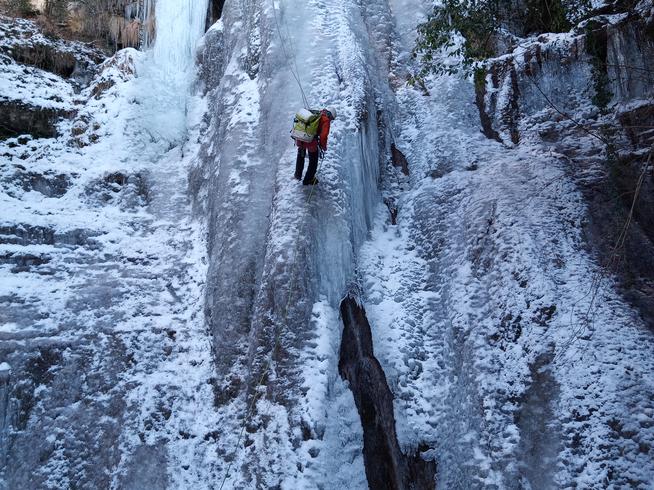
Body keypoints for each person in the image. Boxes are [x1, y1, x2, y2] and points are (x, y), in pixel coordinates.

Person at [294, 107, 336, 185]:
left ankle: (297, 175)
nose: (331, 120)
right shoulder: (326, 120)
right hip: (310, 141)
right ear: (331, 116)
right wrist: (323, 147)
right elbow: (323, 136)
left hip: (300, 137)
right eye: (332, 119)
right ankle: (308, 179)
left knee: (300, 155)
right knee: (313, 160)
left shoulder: (316, 114)